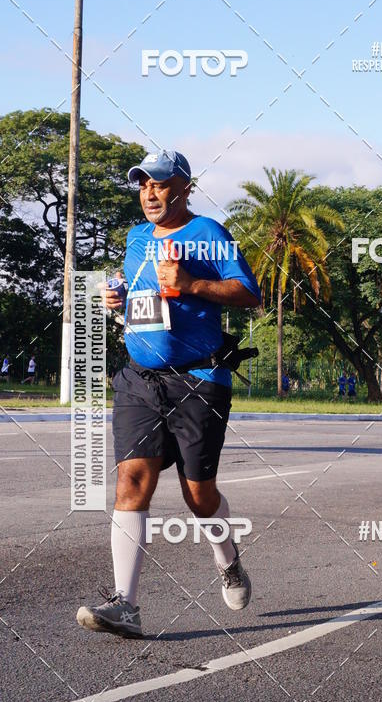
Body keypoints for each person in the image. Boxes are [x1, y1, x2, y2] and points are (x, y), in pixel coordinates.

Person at [76, 149, 261, 638]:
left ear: (184, 186)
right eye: (142, 186)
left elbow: (249, 292)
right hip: (140, 379)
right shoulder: (136, 238)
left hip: (199, 380)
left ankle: (228, 562)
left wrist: (194, 283)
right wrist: (114, 296)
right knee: (131, 483)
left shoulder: (210, 234)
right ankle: (126, 605)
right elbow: (137, 295)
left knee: (198, 497)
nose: (149, 194)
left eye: (158, 184)